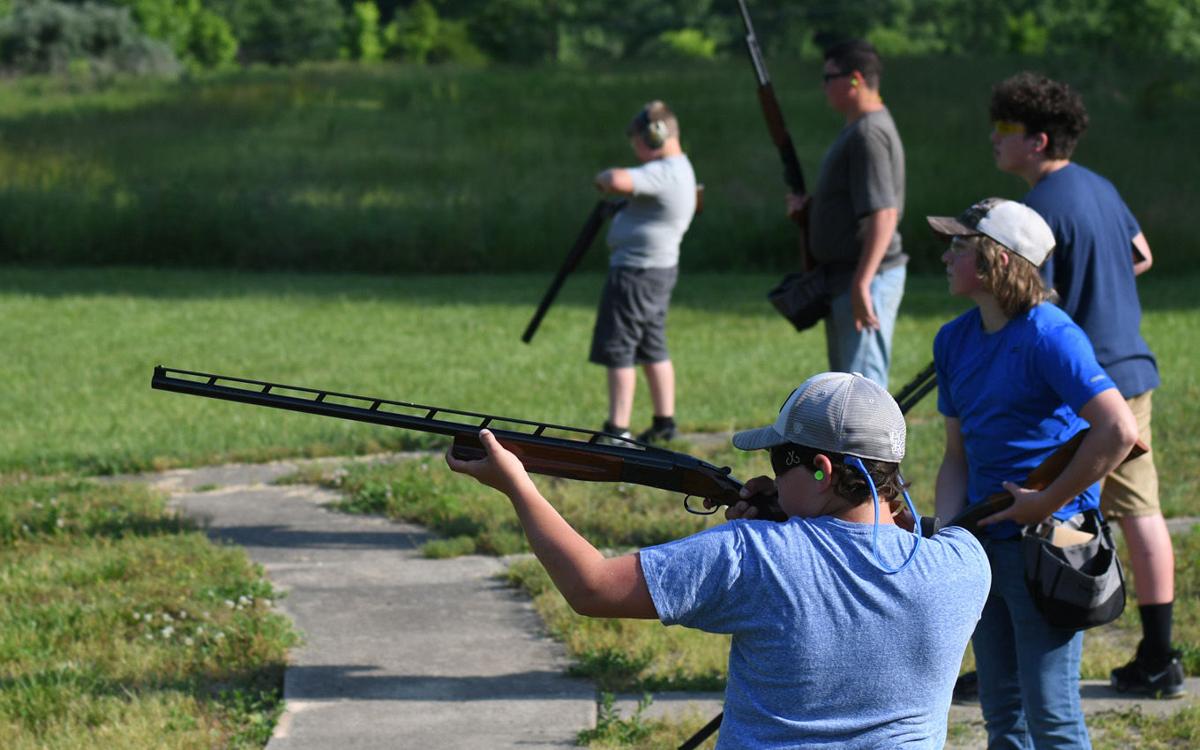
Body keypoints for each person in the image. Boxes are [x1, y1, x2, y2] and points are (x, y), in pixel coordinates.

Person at [448, 371, 991, 748]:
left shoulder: (755, 556)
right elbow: (889, 536)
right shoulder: (965, 564)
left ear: (822, 470)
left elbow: (592, 586)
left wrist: (516, 484)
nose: (772, 475)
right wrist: (793, 508)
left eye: (779, 462)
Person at [990, 71, 1184, 698]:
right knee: (1141, 512)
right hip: (1131, 370)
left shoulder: (1038, 210)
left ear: (1038, 140)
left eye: (1004, 129)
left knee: (1054, 507)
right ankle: (1159, 654)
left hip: (1082, 388)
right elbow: (1141, 254)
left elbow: (1029, 299)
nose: (994, 139)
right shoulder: (1101, 186)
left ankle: (1027, 654)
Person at [930, 197, 1140, 747]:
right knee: (1002, 716)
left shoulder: (1050, 335)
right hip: (982, 546)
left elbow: (1118, 429)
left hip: (1048, 545)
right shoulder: (952, 339)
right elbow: (956, 457)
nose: (946, 257)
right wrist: (948, 536)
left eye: (959, 246)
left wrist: (1045, 503)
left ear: (997, 259)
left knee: (1052, 718)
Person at [787, 39, 906, 389]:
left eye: (829, 78)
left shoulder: (869, 133)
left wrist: (862, 283)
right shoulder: (858, 128)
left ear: (855, 79)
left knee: (863, 392)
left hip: (867, 277)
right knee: (845, 388)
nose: (824, 86)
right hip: (848, 277)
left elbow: (885, 213)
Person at [590, 100, 695, 444]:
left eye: (637, 140)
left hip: (636, 273)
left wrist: (602, 178)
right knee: (652, 346)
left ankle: (617, 430)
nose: (635, 148)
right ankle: (664, 422)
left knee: (620, 347)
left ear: (654, 136)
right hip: (657, 272)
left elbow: (615, 180)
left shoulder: (664, 171)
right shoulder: (680, 168)